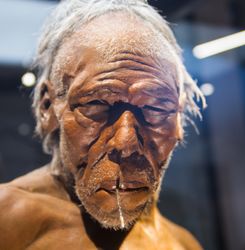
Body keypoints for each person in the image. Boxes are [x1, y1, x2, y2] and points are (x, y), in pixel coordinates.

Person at [0, 0, 205, 249]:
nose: (126, 143)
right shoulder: (7, 219)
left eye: (155, 108)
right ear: (47, 108)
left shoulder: (182, 243)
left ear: (179, 118)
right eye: (96, 104)